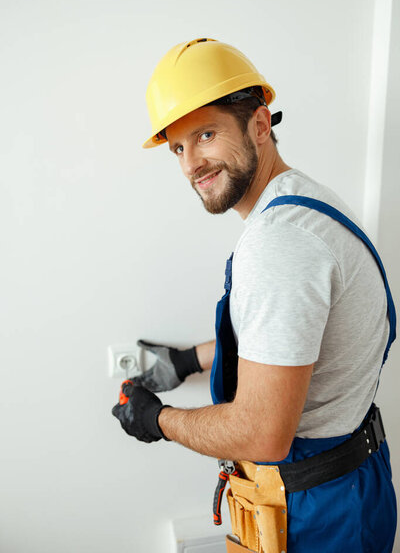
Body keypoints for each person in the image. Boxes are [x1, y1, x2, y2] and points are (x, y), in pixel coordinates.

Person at [112, 38, 397, 552]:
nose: (190, 165)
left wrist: (155, 420)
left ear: (260, 125)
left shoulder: (280, 244)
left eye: (205, 135)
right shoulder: (306, 203)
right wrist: (187, 361)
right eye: (178, 147)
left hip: (317, 513)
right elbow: (292, 342)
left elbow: (262, 433)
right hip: (348, 482)